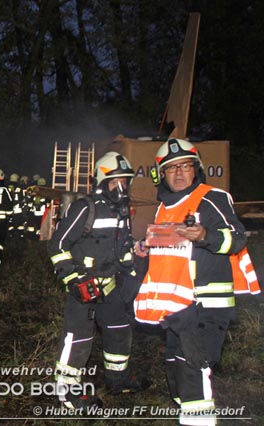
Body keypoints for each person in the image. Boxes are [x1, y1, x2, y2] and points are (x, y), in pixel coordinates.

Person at [134, 138, 246, 426]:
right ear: (161, 174)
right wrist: (145, 248)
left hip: (205, 305)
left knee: (192, 370)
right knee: (176, 370)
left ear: (196, 169)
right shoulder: (164, 207)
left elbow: (237, 239)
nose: (180, 173)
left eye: (185, 166)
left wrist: (207, 235)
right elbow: (168, 251)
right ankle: (191, 415)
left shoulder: (212, 198)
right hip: (178, 308)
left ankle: (198, 421)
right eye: (172, 168)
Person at [48, 151, 148, 409]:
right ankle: (67, 394)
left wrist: (133, 257)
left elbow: (121, 246)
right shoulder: (85, 207)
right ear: (103, 181)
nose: (122, 188)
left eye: (125, 182)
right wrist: (73, 278)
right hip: (84, 286)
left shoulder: (122, 211)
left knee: (119, 330)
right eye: (116, 182)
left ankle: (118, 379)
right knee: (78, 338)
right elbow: (57, 244)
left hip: (111, 284)